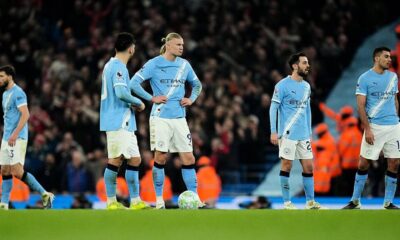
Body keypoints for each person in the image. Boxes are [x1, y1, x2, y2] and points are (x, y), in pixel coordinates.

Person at [130, 32, 202, 209]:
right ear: (168, 45)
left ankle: (195, 197)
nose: (181, 47)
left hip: (179, 118)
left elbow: (197, 85)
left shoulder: (185, 65)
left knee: (188, 156)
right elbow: (133, 83)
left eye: (182, 45)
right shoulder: (154, 64)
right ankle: (159, 199)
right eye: (178, 44)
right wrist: (151, 97)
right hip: (160, 118)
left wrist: (191, 99)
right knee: (160, 157)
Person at [343, 46, 400, 209]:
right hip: (375, 126)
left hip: (394, 126)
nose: (390, 59)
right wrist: (367, 129)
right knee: (363, 163)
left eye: (390, 57)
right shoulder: (365, 78)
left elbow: (395, 99)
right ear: (377, 58)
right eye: (386, 57)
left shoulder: (393, 77)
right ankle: (355, 201)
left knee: (394, 163)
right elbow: (360, 106)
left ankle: (388, 202)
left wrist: (396, 117)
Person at [269, 52, 325, 209]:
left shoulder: (307, 86)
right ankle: (287, 202)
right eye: (304, 63)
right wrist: (274, 131)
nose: (308, 66)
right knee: (286, 165)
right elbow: (273, 109)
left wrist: (309, 131)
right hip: (287, 134)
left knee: (309, 167)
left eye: (307, 63)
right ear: (295, 66)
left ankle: (310, 202)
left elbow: (307, 110)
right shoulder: (282, 86)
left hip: (303, 135)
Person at [99, 32, 148, 210]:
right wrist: (138, 102)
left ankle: (122, 201)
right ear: (131, 49)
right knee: (127, 160)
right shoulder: (119, 67)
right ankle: (122, 201)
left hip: (115, 120)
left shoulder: (108, 66)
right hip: (120, 121)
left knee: (122, 160)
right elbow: (120, 93)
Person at [0, 65, 54, 210]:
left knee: (17, 172)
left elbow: (26, 114)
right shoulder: (5, 94)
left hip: (16, 138)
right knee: (4, 171)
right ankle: (4, 205)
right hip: (7, 138)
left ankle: (45, 194)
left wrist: (15, 134)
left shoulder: (18, 93)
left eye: (1, 76)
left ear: (10, 76)